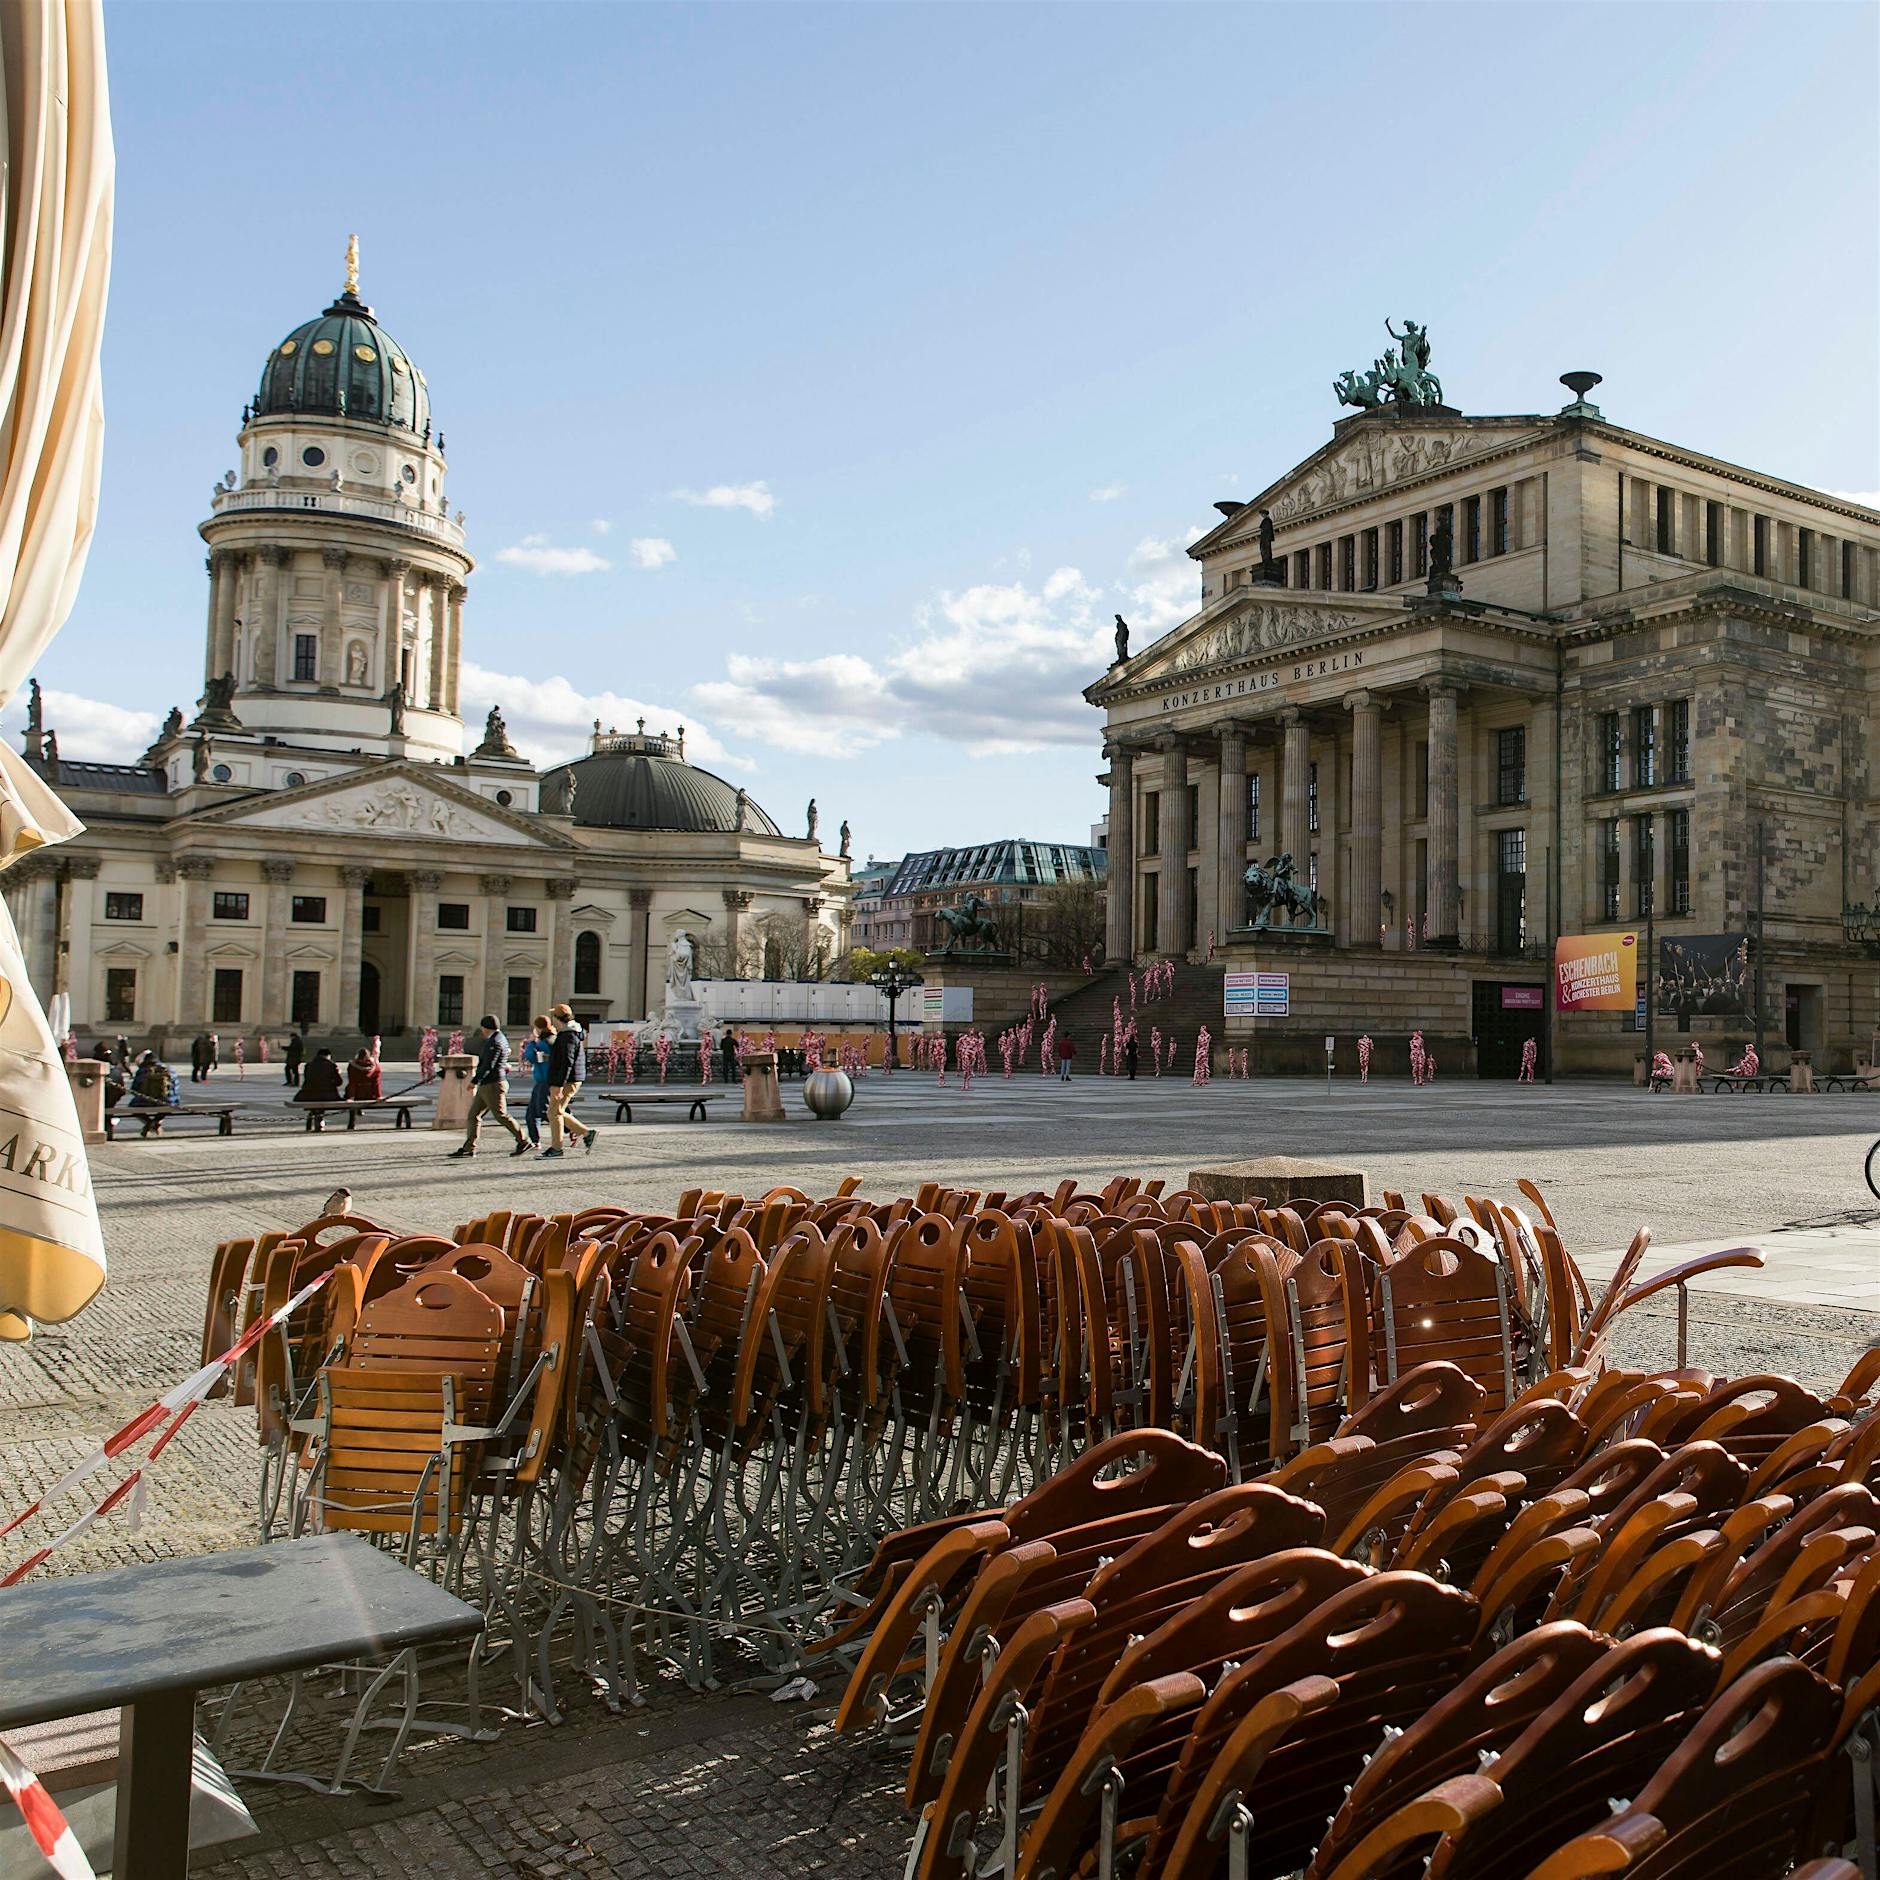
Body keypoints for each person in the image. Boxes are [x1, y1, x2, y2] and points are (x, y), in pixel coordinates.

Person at [449, 1015, 529, 1159]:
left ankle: (523, 1140)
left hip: (493, 1083)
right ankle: (469, 1147)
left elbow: (488, 1065)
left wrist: (475, 1080)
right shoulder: (500, 1039)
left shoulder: (495, 1042)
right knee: (474, 1115)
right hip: (488, 1083)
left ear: (486, 1028)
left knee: (501, 1115)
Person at [540, 1004, 597, 1158]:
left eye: (554, 1017)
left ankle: (557, 1148)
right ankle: (586, 1134)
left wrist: (558, 1085)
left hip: (568, 1080)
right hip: (571, 1078)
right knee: (556, 1111)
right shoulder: (570, 1033)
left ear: (558, 1019)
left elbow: (566, 1061)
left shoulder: (568, 1035)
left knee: (554, 1112)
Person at [521, 1015, 554, 1148]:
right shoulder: (552, 1038)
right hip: (546, 1079)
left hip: (544, 1080)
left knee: (543, 1112)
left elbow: (531, 1057)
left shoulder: (542, 1042)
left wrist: (531, 1043)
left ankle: (572, 1129)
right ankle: (534, 1140)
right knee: (533, 1113)